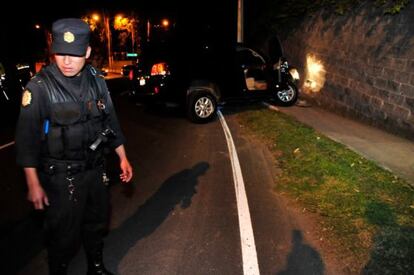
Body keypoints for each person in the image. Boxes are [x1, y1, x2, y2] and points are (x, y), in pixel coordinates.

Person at [15, 18, 133, 275]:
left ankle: (96, 267)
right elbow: (26, 140)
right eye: (61, 53)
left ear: (87, 52)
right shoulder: (39, 88)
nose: (67, 61)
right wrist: (33, 183)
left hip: (95, 171)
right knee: (63, 235)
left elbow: (110, 120)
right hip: (60, 178)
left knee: (97, 223)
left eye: (75, 54)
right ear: (53, 51)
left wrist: (122, 156)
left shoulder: (97, 81)